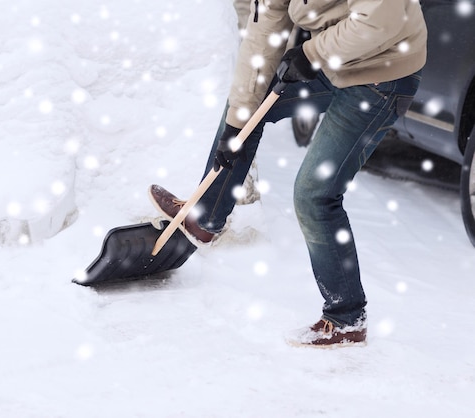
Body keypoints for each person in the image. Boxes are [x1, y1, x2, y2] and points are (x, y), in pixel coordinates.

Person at [149, 0, 427, 347]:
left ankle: (346, 318)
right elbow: (263, 35)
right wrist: (236, 127)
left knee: (314, 195)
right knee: (248, 109)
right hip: (336, 58)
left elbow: (380, 19)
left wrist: (311, 53)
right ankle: (205, 216)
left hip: (383, 72)